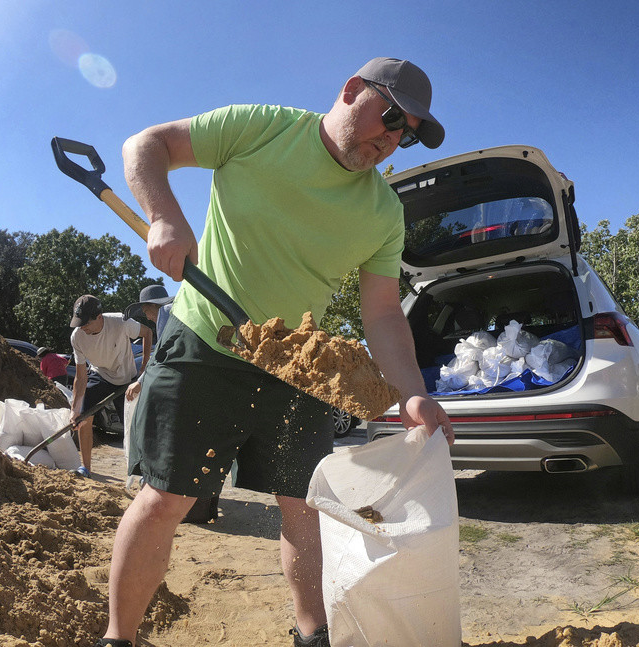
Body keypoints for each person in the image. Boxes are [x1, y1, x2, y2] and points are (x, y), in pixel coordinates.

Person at [96, 57, 454, 647]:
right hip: (203, 346)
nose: (393, 138)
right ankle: (119, 638)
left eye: (407, 133)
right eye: (391, 116)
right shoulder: (261, 128)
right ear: (350, 90)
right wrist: (163, 217)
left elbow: (383, 314)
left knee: (303, 507)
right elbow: (146, 145)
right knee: (166, 500)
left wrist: (413, 394)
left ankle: (311, 632)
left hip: (298, 368)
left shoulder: (383, 212)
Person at [69, 294, 152, 478]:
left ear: (99, 317)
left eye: (85, 323)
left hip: (126, 378)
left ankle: (145, 473)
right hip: (99, 375)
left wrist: (144, 369)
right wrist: (75, 409)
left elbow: (147, 332)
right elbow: (81, 377)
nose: (82, 328)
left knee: (135, 426)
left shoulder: (120, 322)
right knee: (84, 418)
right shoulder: (78, 337)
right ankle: (86, 468)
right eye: (79, 323)